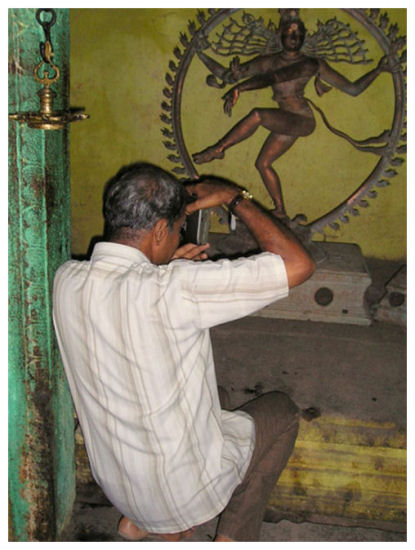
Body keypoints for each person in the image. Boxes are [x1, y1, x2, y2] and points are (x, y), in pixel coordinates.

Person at [53, 162, 315, 541]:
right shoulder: (175, 289)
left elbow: (130, 295)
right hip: (184, 492)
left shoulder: (66, 279)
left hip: (117, 486)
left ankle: (142, 522)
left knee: (216, 397)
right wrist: (233, 197)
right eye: (177, 230)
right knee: (283, 412)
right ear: (160, 230)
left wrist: (166, 267)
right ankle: (230, 537)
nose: (178, 238)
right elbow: (299, 265)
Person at [193, 14, 396, 220]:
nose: (294, 36)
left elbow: (352, 89)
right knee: (263, 164)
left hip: (301, 119)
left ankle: (219, 149)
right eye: (290, 32)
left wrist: (378, 70)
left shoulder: (310, 64)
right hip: (285, 120)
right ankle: (280, 210)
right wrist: (200, 54)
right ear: (280, 34)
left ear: (305, 37)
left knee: (258, 115)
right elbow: (228, 76)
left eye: (298, 33)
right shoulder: (268, 61)